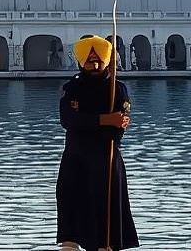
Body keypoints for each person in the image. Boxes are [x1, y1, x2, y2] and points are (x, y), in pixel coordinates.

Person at [57, 35, 139, 251]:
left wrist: (112, 123)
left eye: (98, 61)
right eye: (89, 61)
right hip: (76, 161)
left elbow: (117, 130)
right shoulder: (72, 88)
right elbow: (68, 120)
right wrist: (104, 120)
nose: (94, 65)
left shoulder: (117, 89)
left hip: (106, 161)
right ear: (80, 62)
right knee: (72, 222)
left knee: (106, 229)